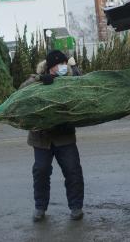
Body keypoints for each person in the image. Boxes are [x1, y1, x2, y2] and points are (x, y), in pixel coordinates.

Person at [19, 50, 84, 222]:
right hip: (41, 138)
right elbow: (21, 91)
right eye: (59, 64)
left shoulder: (70, 80)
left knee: (73, 171)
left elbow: (84, 85)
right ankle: (40, 207)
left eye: (64, 63)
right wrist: (41, 81)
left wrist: (75, 66)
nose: (62, 67)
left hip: (65, 136)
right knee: (40, 171)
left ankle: (76, 207)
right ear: (49, 67)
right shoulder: (37, 79)